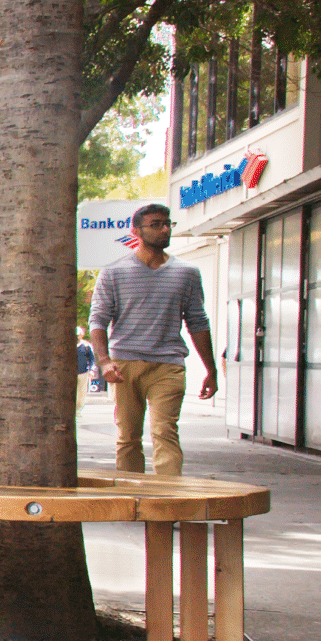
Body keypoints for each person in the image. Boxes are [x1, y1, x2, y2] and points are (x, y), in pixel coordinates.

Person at [87, 202, 217, 476]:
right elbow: (98, 320)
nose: (165, 229)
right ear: (136, 231)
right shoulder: (114, 272)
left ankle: (167, 503)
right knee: (128, 437)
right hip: (124, 365)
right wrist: (105, 361)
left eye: (168, 223)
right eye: (156, 224)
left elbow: (197, 322)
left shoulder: (187, 273)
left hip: (168, 365)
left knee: (165, 432)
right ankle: (132, 498)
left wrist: (211, 369)